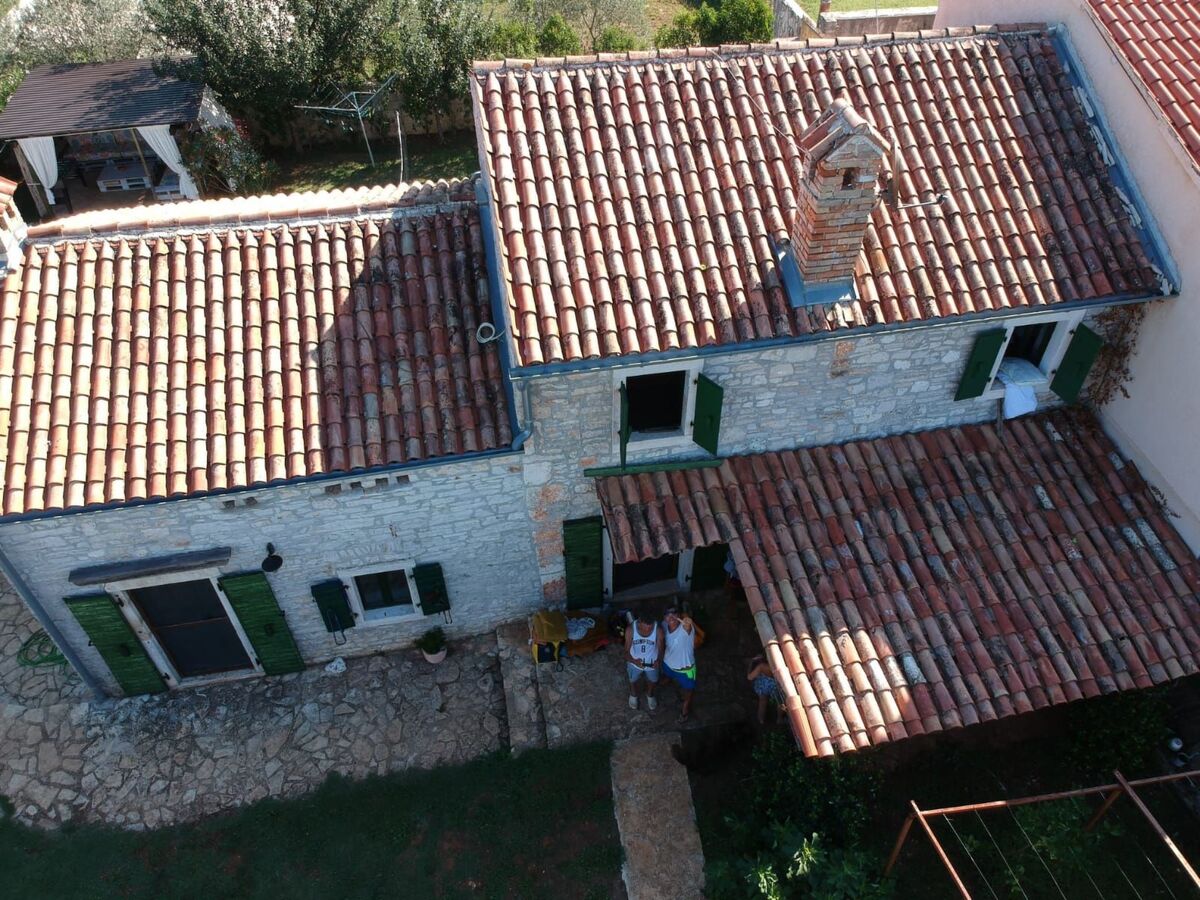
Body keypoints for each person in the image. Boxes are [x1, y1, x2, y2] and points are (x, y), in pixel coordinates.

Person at [661, 606, 697, 724]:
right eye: (667, 614)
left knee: (688, 690)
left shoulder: (685, 629)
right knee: (667, 675)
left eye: (673, 613)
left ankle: (685, 709)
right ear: (664, 618)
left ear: (679, 615)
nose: (671, 617)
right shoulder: (664, 625)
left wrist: (688, 623)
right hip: (668, 663)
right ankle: (668, 679)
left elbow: (688, 626)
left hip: (684, 670)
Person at [624, 607, 663, 710]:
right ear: (639, 622)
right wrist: (634, 661)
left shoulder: (658, 630)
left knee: (653, 680)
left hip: (652, 663)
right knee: (632, 680)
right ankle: (633, 694)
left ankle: (650, 694)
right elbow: (626, 653)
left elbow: (661, 649)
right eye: (645, 627)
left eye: (651, 627)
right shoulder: (630, 630)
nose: (648, 630)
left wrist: (658, 661)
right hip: (634, 662)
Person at [747, 655, 784, 725]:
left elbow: (749, 677)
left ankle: (761, 720)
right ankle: (779, 719)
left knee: (762, 700)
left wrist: (751, 663)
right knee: (780, 701)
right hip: (775, 686)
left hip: (762, 686)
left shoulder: (761, 666)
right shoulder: (780, 666)